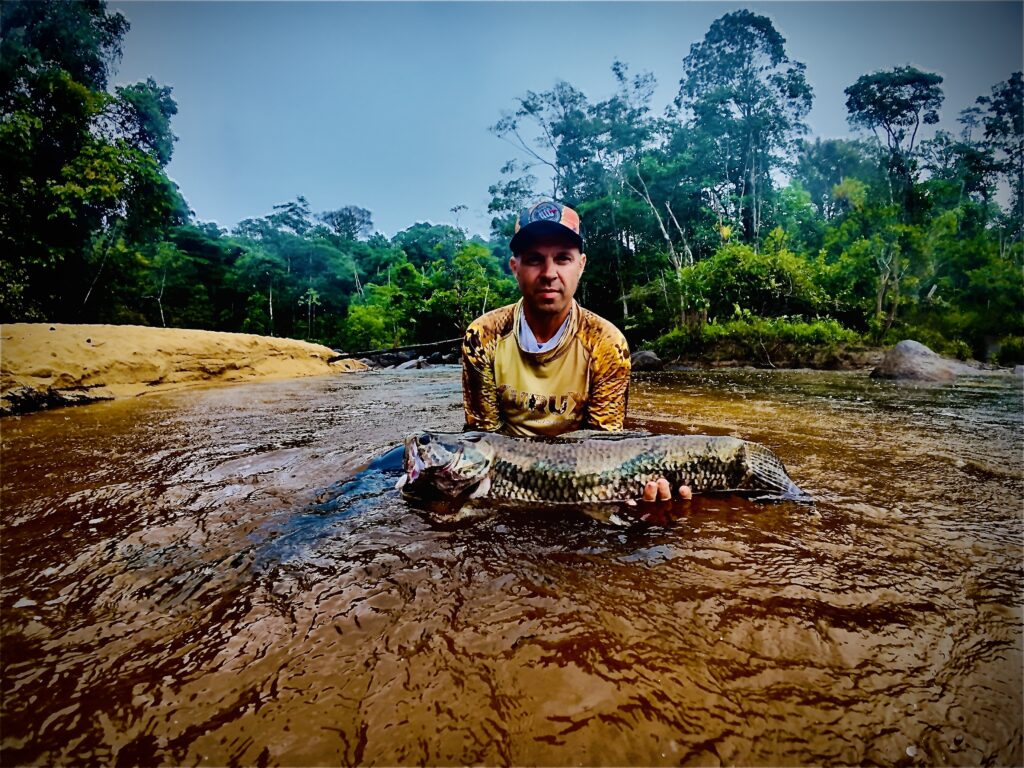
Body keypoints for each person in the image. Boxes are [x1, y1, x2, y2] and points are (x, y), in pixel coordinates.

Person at [461, 200, 688, 503]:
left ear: (581, 265)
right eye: (534, 260)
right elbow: (484, 441)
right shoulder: (483, 337)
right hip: (510, 470)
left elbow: (606, 447)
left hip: (583, 470)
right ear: (515, 267)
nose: (549, 273)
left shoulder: (607, 343)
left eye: (563, 259)